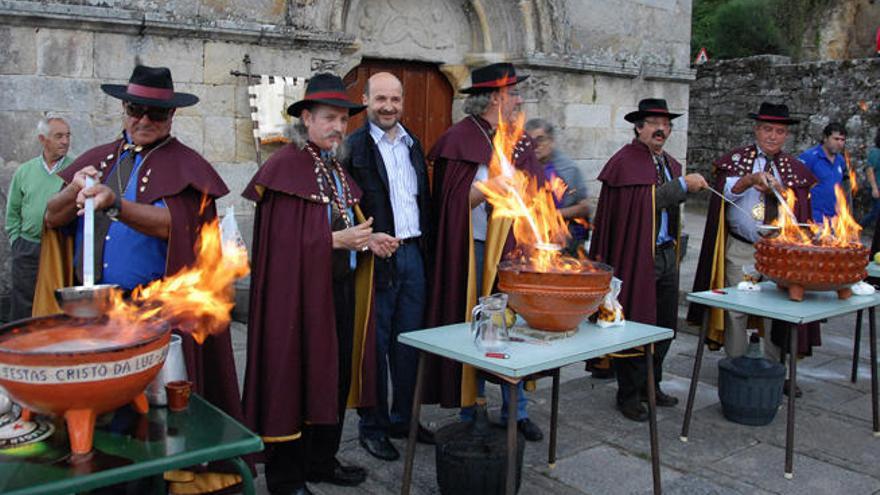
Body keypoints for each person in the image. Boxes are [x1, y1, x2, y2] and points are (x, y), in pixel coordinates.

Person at [37, 64, 245, 494]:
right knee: (95, 410)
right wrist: (73, 190)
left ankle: (153, 485)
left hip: (155, 313)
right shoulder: (98, 159)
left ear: (172, 118)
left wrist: (115, 204)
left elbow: (178, 226)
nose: (145, 120)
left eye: (157, 113)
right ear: (124, 109)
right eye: (136, 109)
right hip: (94, 314)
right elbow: (51, 217)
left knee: (153, 415)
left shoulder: (187, 166)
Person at [242, 73, 377, 495]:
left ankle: (321, 461)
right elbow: (282, 245)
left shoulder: (334, 167)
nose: (339, 127)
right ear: (306, 118)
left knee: (331, 376)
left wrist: (371, 239)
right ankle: (287, 479)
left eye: (343, 119)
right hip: (295, 299)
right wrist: (336, 240)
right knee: (295, 377)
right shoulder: (286, 166)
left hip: (334, 290)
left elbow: (340, 222)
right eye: (330, 118)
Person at [425, 62, 544, 442]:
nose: (520, 99)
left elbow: (537, 194)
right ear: (494, 98)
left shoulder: (520, 141)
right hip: (473, 251)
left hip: (514, 251)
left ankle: (517, 411)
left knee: (516, 331)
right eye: (514, 92)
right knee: (476, 328)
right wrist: (492, 186)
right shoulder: (458, 139)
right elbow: (450, 204)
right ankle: (471, 407)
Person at [590, 98, 708, 422]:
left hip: (668, 255)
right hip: (638, 257)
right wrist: (683, 186)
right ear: (639, 127)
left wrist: (680, 183)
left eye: (666, 123)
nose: (661, 128)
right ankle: (628, 394)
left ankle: (651, 386)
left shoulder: (668, 162)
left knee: (665, 325)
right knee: (636, 324)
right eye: (654, 122)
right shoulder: (625, 162)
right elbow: (646, 202)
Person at [688, 102, 818, 396]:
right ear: (757, 130)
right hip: (742, 248)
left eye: (779, 131)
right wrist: (750, 180)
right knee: (737, 309)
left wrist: (784, 193)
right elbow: (726, 192)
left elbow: (798, 211)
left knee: (776, 310)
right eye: (768, 129)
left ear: (786, 135)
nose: (773, 136)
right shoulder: (735, 160)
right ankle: (734, 367)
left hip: (778, 253)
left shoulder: (794, 170)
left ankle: (774, 371)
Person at [343, 72, 434, 461]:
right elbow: (344, 209)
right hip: (375, 256)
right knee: (374, 345)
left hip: (413, 254)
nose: (388, 106)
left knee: (410, 342)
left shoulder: (412, 143)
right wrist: (365, 242)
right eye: (380, 98)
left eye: (395, 99)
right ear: (365, 99)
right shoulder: (353, 148)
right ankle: (373, 425)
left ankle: (403, 418)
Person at [5, 114, 72, 321]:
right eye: (59, 136)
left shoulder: (75, 171)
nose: (65, 141)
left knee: (58, 303)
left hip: (60, 248)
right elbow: (13, 212)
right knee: (24, 303)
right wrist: (17, 242)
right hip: (28, 248)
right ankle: (21, 350)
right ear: (43, 139)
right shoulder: (24, 172)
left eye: (68, 136)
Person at [525, 118, 590, 255]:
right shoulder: (521, 168)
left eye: (540, 139)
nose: (535, 145)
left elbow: (584, 207)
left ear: (551, 141)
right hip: (529, 239)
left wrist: (552, 216)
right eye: (530, 141)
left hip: (564, 239)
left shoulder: (568, 169)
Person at [799, 122, 847, 223]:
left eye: (842, 140)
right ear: (825, 138)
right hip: (814, 218)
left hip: (835, 219)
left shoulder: (841, 160)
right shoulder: (809, 157)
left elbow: (839, 187)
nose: (839, 143)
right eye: (836, 139)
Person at [860, 128, 880, 228]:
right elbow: (869, 170)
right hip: (877, 186)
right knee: (876, 213)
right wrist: (874, 188)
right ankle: (858, 228)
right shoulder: (876, 152)